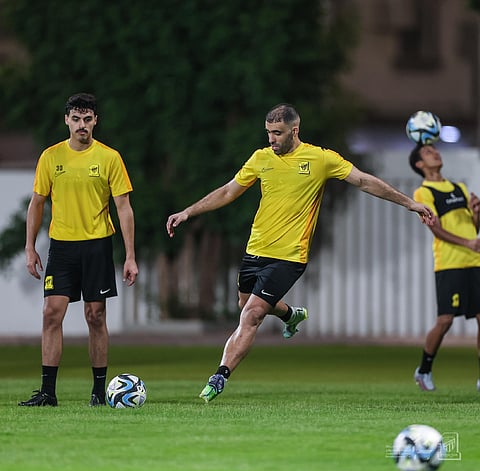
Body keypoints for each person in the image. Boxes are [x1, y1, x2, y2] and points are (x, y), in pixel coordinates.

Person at [166, 103, 434, 402]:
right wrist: (188, 212)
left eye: (277, 133)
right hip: (255, 251)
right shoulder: (260, 158)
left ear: (295, 131)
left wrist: (410, 202)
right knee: (246, 305)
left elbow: (363, 180)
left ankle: (219, 376)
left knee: (252, 314)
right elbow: (229, 191)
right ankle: (290, 314)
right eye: (268, 133)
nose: (271, 139)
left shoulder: (320, 158)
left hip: (290, 256)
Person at [19, 93, 138, 407]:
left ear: (95, 121)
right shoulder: (51, 157)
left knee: (95, 316)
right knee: (50, 314)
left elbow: (124, 207)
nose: (82, 125)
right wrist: (30, 247)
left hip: (97, 246)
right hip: (62, 248)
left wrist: (130, 256)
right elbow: (37, 203)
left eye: (87, 119)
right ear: (66, 121)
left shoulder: (109, 157)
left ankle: (99, 394)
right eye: (76, 119)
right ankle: (48, 392)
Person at [409, 143, 480, 391]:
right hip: (449, 263)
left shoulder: (459, 187)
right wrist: (469, 242)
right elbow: (435, 229)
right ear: (419, 164)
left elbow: (472, 228)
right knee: (446, 320)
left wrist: (476, 214)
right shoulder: (423, 193)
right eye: (428, 152)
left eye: (435, 150)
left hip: (474, 261)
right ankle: (424, 370)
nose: (435, 153)